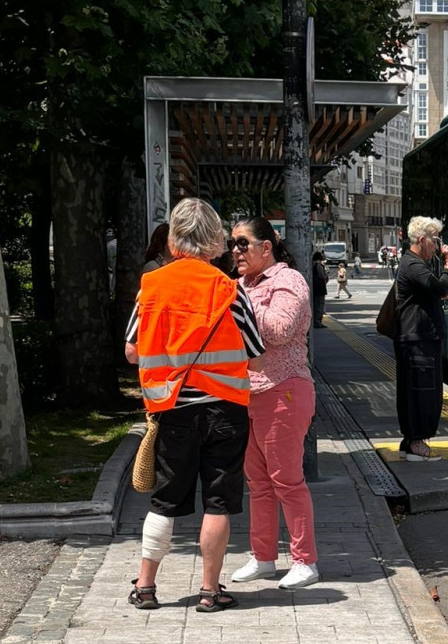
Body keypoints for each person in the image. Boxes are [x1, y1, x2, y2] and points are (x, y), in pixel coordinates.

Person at [123, 198, 265, 613]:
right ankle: (209, 590)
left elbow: (132, 351)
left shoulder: (152, 287)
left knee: (165, 499)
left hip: (172, 409)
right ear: (214, 241)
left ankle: (146, 587)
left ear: (173, 238)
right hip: (225, 410)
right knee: (218, 501)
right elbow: (254, 355)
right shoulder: (229, 291)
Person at [229, 217, 320, 590]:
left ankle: (305, 561)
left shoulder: (287, 280)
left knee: (287, 480)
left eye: (243, 243)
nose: (235, 250)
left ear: (266, 248)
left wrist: (241, 304)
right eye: (232, 243)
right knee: (258, 482)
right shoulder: (242, 284)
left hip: (283, 389)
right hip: (248, 392)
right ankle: (264, 556)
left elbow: (281, 330)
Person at [394, 216, 448, 461]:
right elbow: (439, 286)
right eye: (435, 240)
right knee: (422, 391)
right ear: (422, 240)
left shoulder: (413, 264)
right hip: (417, 338)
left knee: (419, 389)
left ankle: (412, 440)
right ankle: (416, 442)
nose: (438, 246)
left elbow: (432, 290)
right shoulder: (413, 264)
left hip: (418, 336)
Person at [311, 251, 328, 329]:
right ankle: (317, 322)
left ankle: (316, 321)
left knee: (316, 305)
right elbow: (323, 276)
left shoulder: (312, 265)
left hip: (315, 288)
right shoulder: (318, 266)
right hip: (320, 288)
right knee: (319, 306)